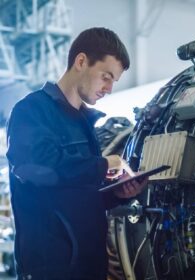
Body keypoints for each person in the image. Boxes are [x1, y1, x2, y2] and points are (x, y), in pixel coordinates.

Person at [6, 27, 147, 280]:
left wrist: (118, 194)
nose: (109, 88)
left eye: (114, 81)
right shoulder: (31, 110)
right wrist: (102, 165)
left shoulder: (84, 123)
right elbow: (34, 168)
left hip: (90, 267)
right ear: (81, 61)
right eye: (106, 76)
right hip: (50, 269)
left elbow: (80, 193)